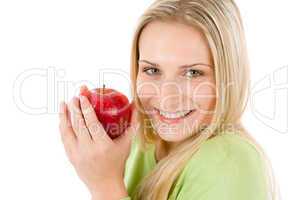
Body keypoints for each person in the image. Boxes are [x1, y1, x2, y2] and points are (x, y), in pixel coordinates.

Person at [58, 0, 279, 199]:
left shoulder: (232, 161)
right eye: (152, 70)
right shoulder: (141, 142)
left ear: (227, 76)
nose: (167, 98)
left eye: (193, 73)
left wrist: (105, 186)